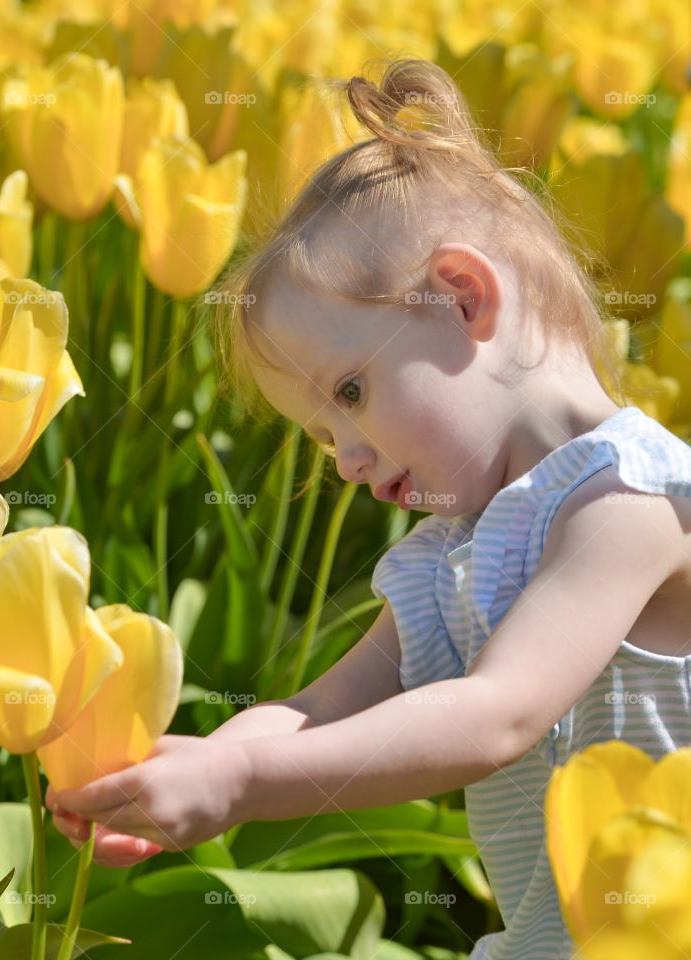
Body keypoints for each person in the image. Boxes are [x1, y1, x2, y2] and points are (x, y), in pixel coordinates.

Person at [47, 57, 691, 959]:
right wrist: (193, 762)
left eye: (350, 392)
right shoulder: (452, 553)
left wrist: (245, 780)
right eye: (321, 435)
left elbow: (500, 714)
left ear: (463, 297)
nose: (348, 461)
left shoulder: (630, 499)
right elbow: (322, 708)